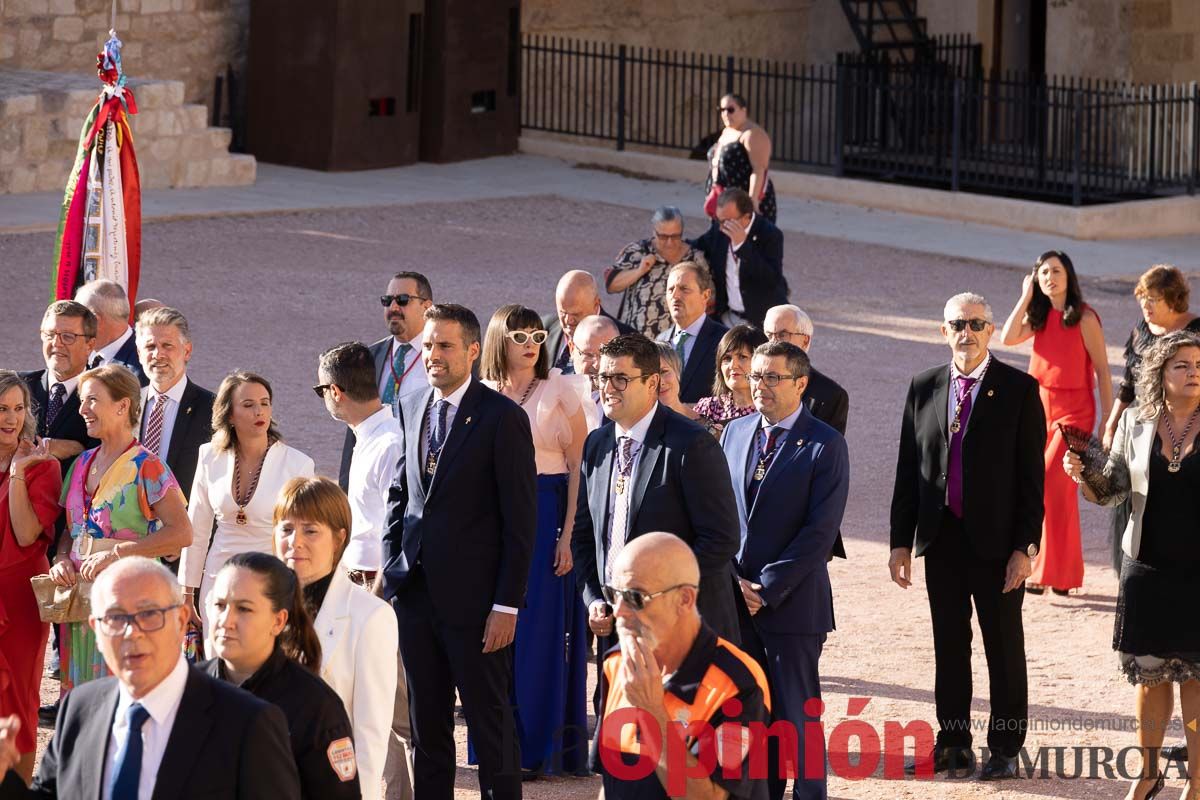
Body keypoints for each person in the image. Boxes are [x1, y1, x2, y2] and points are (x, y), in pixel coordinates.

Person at [888, 292, 1046, 780]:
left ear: (991, 330)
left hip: (998, 545)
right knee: (949, 644)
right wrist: (899, 540)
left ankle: (1005, 747)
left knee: (1003, 645)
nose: (967, 332)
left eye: (977, 323)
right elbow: (908, 469)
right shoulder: (924, 386)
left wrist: (1026, 547)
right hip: (942, 539)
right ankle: (953, 743)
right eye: (958, 323)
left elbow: (1031, 481)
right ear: (943, 331)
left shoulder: (1019, 389)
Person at [382, 304, 537, 800]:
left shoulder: (502, 419)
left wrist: (506, 604)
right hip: (416, 597)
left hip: (478, 608)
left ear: (472, 350)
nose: (433, 355)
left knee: (490, 729)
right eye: (427, 345)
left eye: (445, 346)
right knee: (427, 730)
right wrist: (393, 567)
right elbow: (401, 497)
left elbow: (521, 521)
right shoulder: (408, 407)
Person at [0, 556, 301, 798]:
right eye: (116, 618)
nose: (133, 633)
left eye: (149, 614)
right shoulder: (80, 708)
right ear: (96, 630)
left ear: (181, 620)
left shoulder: (248, 724)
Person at [1066, 330, 1200, 800]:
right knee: (1151, 675)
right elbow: (1113, 491)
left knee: (1197, 682)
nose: (1193, 371)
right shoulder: (1137, 423)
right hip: (1147, 567)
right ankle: (1148, 773)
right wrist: (1086, 475)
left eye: (1199, 364)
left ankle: (1198, 783)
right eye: (1182, 364)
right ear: (1160, 374)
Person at [719, 342, 850, 800]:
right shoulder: (733, 433)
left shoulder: (826, 444)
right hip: (737, 604)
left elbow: (820, 533)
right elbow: (722, 518)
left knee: (799, 719)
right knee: (753, 717)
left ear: (801, 383)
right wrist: (734, 584)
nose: (761, 386)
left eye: (773, 377)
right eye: (756, 376)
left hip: (794, 606)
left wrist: (766, 588)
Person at [572, 333, 742, 658]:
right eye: (604, 378)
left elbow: (721, 539)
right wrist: (595, 599)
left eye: (621, 379)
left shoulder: (692, 445)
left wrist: (652, 598)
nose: (608, 388)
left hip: (679, 631)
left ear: (651, 384)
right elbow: (584, 536)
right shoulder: (597, 444)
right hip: (616, 628)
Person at [480, 305, 593, 777]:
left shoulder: (559, 389)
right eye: (519, 335)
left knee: (539, 637)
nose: (530, 343)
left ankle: (535, 750)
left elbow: (578, 467)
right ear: (498, 340)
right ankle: (497, 746)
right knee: (494, 636)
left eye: (536, 336)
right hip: (492, 521)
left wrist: (567, 535)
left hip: (547, 513)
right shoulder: (481, 392)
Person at [590, 532, 771, 800]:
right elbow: (613, 779)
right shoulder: (618, 663)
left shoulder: (738, 683)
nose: (619, 611)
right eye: (614, 594)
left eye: (635, 597)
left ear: (685, 599)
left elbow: (708, 797)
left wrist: (652, 712)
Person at [49, 365, 193, 692]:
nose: (82, 409)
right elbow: (69, 532)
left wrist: (116, 554)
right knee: (81, 700)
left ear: (122, 405)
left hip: (130, 605)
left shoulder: (148, 466)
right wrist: (60, 559)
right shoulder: (81, 463)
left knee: (122, 698)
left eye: (92, 400)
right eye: (82, 401)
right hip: (81, 606)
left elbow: (181, 533)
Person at [315, 342, 413, 800]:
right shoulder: (374, 435)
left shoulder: (388, 441)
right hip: (357, 585)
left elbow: (402, 524)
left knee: (395, 714)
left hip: (378, 589)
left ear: (336, 391)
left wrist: (378, 591)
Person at [275, 477, 397, 800]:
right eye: (286, 529)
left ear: (339, 538)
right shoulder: (262, 609)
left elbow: (370, 740)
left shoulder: (371, 617)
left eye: (310, 530)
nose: (295, 541)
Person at [203, 552, 361, 800]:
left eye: (244, 609)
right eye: (220, 605)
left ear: (278, 621)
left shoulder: (316, 707)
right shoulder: (189, 687)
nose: (226, 621)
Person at [1000, 251, 1112, 596]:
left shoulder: (1085, 318)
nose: (1050, 277)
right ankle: (1056, 574)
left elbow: (1104, 371)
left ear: (1069, 275)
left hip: (1075, 411)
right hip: (1040, 408)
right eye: (1043, 272)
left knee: (1053, 484)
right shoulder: (1039, 316)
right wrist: (1024, 296)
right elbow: (1006, 337)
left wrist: (1108, 420)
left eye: (1056, 270)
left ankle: (1051, 572)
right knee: (1039, 485)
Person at [179, 372, 314, 638]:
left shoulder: (298, 465)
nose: (259, 411)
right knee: (219, 664)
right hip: (218, 582)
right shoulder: (209, 456)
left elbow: (304, 536)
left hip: (271, 583)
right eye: (248, 405)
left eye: (264, 403)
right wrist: (187, 592)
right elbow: (197, 526)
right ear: (230, 415)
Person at [1102, 265, 1200, 573]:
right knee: (1129, 499)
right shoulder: (1141, 331)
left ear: (1173, 300)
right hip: (1142, 425)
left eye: (1153, 299)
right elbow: (1128, 384)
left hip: (1184, 424)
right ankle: (1130, 567)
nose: (1145, 306)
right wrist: (1112, 422)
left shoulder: (1196, 331)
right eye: (1142, 298)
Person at [0, 373, 63, 783]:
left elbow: (26, 534)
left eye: (19, 409)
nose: (12, 418)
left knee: (17, 703)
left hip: (20, 599)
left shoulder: (43, 465)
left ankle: (17, 791)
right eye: (2, 408)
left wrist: (20, 472)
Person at [338, 272, 433, 490]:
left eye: (402, 300)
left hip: (421, 479)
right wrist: (346, 486)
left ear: (426, 307)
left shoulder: (441, 358)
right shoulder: (369, 356)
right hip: (373, 473)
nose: (393, 307)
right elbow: (354, 425)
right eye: (387, 300)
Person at [134, 307, 215, 506]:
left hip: (185, 527)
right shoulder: (126, 404)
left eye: (167, 345)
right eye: (150, 346)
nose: (158, 354)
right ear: (138, 353)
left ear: (187, 351)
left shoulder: (212, 409)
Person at [606, 207, 711, 338]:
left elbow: (708, 300)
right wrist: (639, 271)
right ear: (654, 232)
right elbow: (611, 284)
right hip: (637, 339)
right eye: (663, 237)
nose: (669, 242)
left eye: (675, 236)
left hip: (678, 341)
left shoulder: (695, 258)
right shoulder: (638, 251)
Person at [692, 188, 786, 330]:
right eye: (719, 220)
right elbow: (695, 246)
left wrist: (742, 246)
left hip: (762, 320)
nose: (722, 226)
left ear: (746, 217)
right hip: (728, 318)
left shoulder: (770, 234)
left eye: (727, 221)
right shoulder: (720, 229)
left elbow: (771, 279)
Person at [22, 301, 99, 471]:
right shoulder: (20, 387)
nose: (56, 343)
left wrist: (81, 451)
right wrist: (51, 445)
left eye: (68, 336)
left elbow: (103, 455)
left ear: (90, 345)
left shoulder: (104, 395)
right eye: (50, 335)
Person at [763, 305, 849, 436]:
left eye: (782, 335)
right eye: (769, 335)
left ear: (805, 340)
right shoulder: (751, 383)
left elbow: (825, 451)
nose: (773, 343)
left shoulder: (830, 396)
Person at [655, 262, 728, 404]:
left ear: (705, 295)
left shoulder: (724, 340)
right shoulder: (660, 341)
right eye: (670, 290)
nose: (675, 296)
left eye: (684, 289)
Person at [544, 270, 634, 374]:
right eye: (563, 312)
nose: (568, 320)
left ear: (596, 304)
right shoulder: (544, 329)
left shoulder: (627, 340)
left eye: (576, 314)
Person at [706, 92, 777, 223]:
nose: (725, 114)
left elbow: (759, 170)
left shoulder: (752, 134)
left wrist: (752, 202)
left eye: (730, 110)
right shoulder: (727, 131)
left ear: (743, 110)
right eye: (721, 110)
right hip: (724, 201)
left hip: (742, 203)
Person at [693, 324, 767, 437]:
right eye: (727, 358)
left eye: (742, 357)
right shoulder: (707, 409)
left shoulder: (771, 410)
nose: (733, 365)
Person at [75, 279, 147, 384]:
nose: (73, 325)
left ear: (95, 320)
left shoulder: (140, 370)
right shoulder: (85, 352)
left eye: (77, 317)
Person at [652, 342, 699, 421]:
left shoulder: (707, 418)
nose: (660, 382)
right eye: (652, 377)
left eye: (664, 372)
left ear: (677, 372)